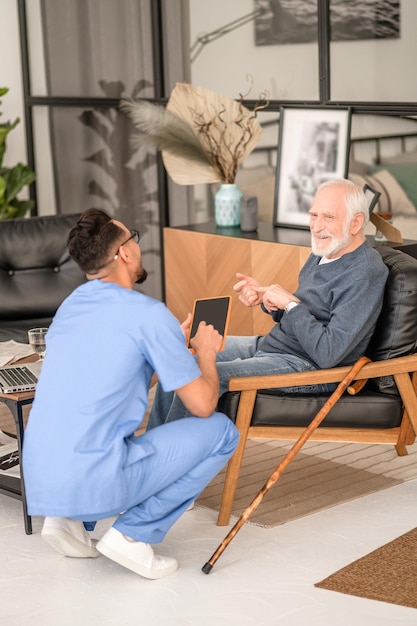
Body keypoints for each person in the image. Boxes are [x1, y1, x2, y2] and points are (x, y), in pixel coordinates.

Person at [22, 208, 239, 580]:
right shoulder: (148, 315)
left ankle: (66, 520)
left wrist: (170, 348)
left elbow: (118, 379)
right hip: (96, 476)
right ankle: (132, 535)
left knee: (91, 434)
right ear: (123, 253)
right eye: (133, 237)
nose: (137, 246)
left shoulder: (70, 308)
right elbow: (202, 405)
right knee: (221, 432)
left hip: (40, 477)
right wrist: (205, 351)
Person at [147, 178, 389, 429]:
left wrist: (291, 305)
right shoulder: (325, 252)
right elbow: (307, 314)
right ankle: (153, 449)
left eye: (328, 217)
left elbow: (328, 352)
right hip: (275, 347)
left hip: (310, 367)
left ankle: (171, 460)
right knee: (178, 355)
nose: (316, 227)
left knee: (194, 373)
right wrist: (269, 301)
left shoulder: (365, 272)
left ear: (356, 222)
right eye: (313, 215)